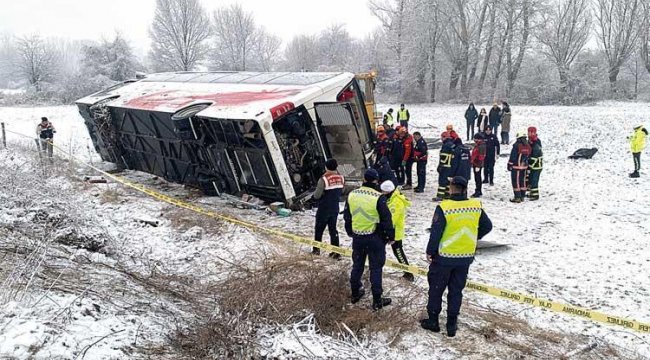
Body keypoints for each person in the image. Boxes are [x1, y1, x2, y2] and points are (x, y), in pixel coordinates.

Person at [420, 176, 493, 337]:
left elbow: (436, 233)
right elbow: (488, 226)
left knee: (436, 289)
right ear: (465, 189)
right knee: (456, 290)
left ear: (451, 188)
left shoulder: (444, 207)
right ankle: (452, 324)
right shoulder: (475, 206)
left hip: (444, 257)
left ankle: (433, 321)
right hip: (465, 257)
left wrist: (430, 251)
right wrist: (474, 237)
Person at [344, 169, 395, 310]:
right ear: (376, 181)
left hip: (358, 237)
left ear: (364, 179)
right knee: (376, 269)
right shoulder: (379, 197)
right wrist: (390, 237)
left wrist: (350, 231)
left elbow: (347, 215)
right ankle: (377, 300)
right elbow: (386, 220)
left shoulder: (352, 194)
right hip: (374, 238)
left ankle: (355, 293)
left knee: (357, 265)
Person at [381, 180, 415, 282]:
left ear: (388, 191)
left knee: (398, 252)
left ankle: (408, 272)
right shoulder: (391, 198)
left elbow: (392, 219)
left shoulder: (396, 202)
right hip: (389, 230)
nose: (382, 194)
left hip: (395, 232)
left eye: (383, 192)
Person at [312, 159, 345, 257]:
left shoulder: (324, 179)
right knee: (333, 230)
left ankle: (316, 250)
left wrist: (314, 197)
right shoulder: (341, 178)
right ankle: (336, 252)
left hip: (324, 208)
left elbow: (317, 195)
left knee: (319, 229)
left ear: (326, 167)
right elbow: (342, 191)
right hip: (335, 207)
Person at [508, 132, 532, 203]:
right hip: (524, 167)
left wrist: (509, 164)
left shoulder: (516, 146)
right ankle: (522, 196)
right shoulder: (528, 146)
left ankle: (517, 197)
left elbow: (513, 156)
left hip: (516, 167)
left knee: (516, 182)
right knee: (522, 181)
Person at [434, 136, 455, 201]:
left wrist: (441, 165)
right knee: (448, 181)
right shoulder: (453, 145)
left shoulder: (446, 145)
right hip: (451, 167)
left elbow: (443, 156)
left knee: (442, 182)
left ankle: (440, 196)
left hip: (445, 166)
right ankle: (447, 194)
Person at [527, 127, 543, 200]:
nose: (529, 134)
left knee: (534, 180)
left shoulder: (536, 144)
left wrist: (529, 166)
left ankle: (535, 195)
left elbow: (535, 156)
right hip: (533, 164)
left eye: (531, 132)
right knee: (531, 179)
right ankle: (532, 193)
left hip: (537, 166)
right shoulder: (531, 142)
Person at [470, 133, 487, 198]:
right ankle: (478, 190)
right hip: (476, 163)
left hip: (477, 164)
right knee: (477, 177)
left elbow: (481, 157)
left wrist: (478, 165)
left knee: (478, 178)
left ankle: (478, 191)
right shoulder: (479, 145)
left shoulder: (481, 146)